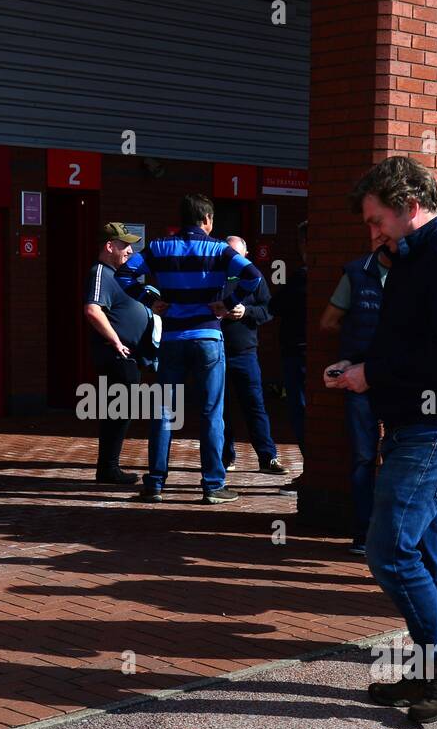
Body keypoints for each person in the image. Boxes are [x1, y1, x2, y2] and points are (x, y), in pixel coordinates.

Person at [325, 156, 437, 724]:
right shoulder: (420, 256)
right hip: (419, 426)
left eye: (377, 221)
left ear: (409, 207)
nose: (372, 233)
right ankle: (431, 670)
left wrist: (370, 374)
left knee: (390, 548)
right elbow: (412, 344)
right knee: (420, 547)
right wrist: (363, 364)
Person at [116, 194, 262, 505]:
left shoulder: (158, 247)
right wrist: (229, 304)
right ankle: (212, 485)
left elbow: (125, 273)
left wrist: (150, 300)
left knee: (164, 412)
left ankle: (155, 483)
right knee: (212, 412)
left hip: (172, 340)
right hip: (208, 337)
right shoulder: (219, 249)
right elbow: (252, 276)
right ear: (207, 220)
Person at [319, 247, 389, 555]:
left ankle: (392, 534)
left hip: (400, 377)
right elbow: (328, 321)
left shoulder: (416, 271)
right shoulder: (358, 272)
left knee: (400, 456)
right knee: (363, 456)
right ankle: (363, 533)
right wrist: (357, 347)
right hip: (359, 376)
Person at [83, 223, 150, 485]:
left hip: (128, 356)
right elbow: (92, 310)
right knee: (118, 412)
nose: (130, 250)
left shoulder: (117, 274)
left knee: (121, 411)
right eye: (124, 245)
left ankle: (109, 467)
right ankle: (108, 469)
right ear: (109, 246)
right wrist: (116, 341)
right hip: (116, 356)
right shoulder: (100, 272)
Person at [219, 236, 286, 475]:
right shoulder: (215, 277)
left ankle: (267, 457)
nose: (234, 260)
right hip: (218, 353)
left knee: (255, 406)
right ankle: (226, 458)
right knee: (221, 410)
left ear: (245, 255)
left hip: (246, 353)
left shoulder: (255, 277)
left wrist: (246, 311)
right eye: (230, 255)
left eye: (238, 255)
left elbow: (268, 310)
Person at [269, 220, 308, 492]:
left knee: (301, 413)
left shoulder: (303, 277)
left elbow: (275, 305)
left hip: (299, 354)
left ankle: (312, 472)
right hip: (303, 353)